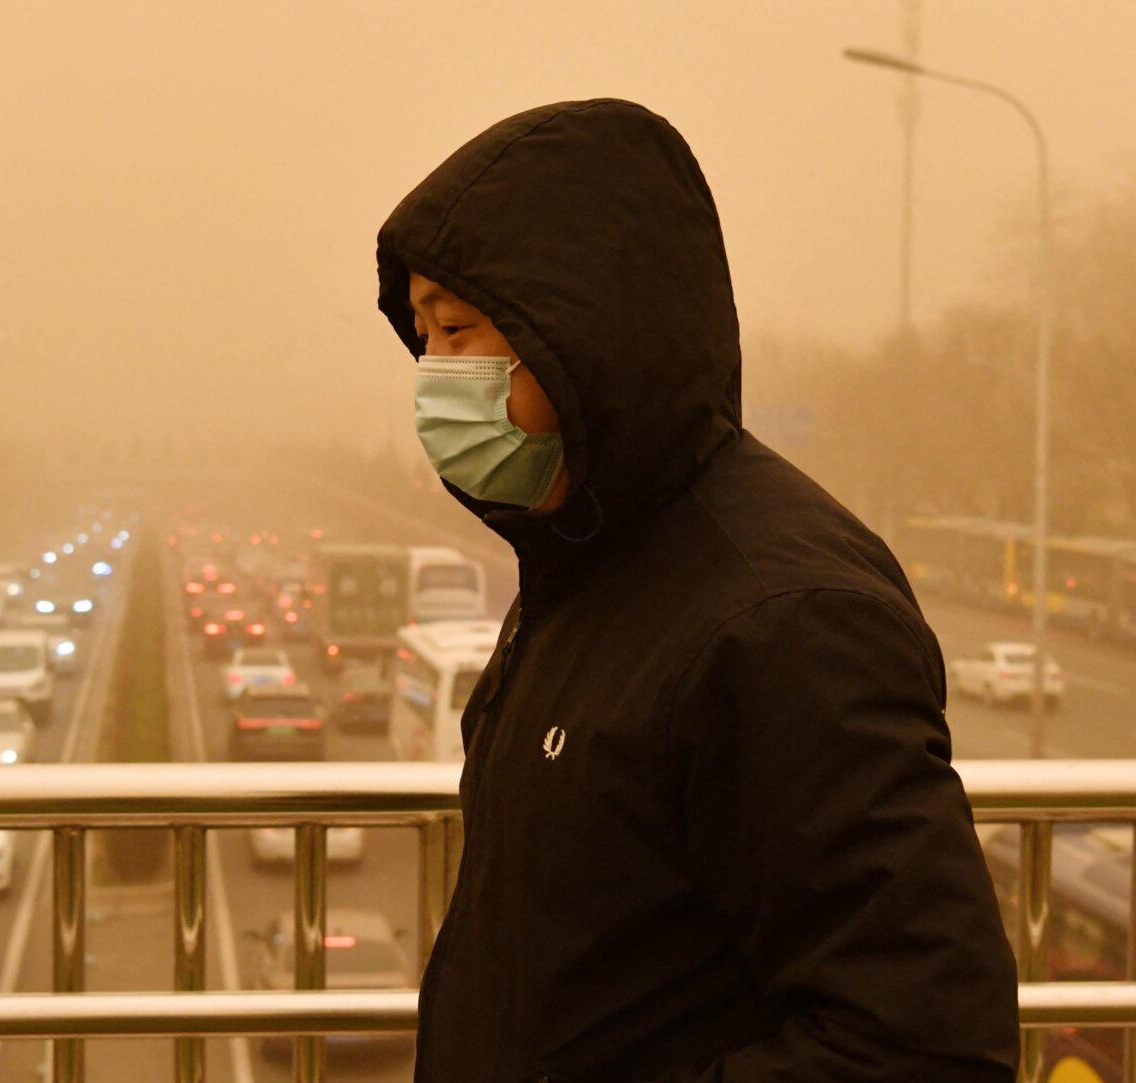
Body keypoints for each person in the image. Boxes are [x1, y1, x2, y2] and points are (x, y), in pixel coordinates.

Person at [378, 99, 1019, 1081]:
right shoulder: (584, 559)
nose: (434, 375)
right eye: (422, 334)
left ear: (585, 330)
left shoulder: (786, 616)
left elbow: (918, 1043)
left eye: (459, 329)